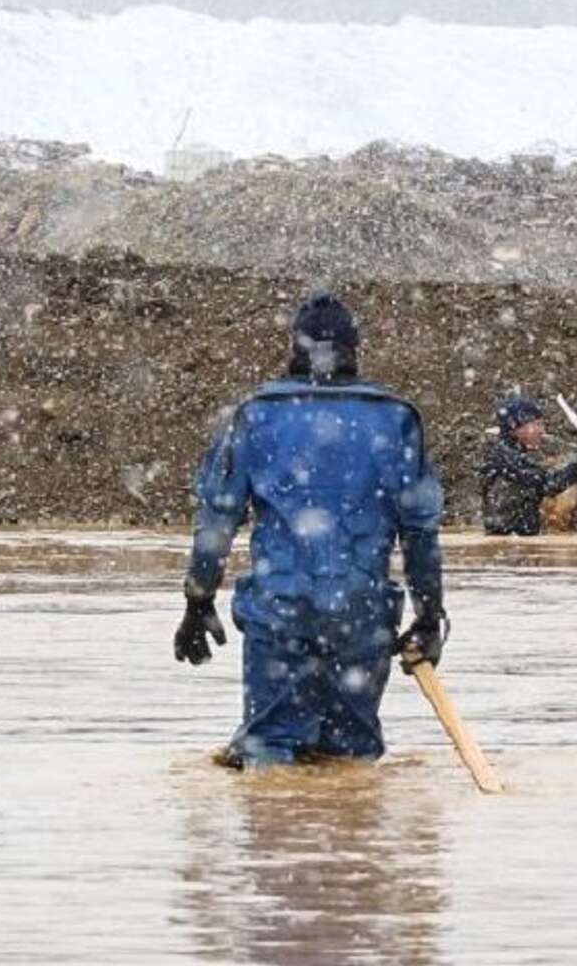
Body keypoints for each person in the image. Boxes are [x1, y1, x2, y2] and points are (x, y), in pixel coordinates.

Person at [174, 293, 446, 770]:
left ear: (296, 346)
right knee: (351, 764)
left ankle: (280, 827)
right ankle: (344, 832)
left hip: (279, 614)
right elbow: (420, 532)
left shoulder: (255, 415)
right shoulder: (395, 419)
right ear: (354, 348)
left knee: (269, 757)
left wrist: (199, 600)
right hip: (362, 615)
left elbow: (216, 523)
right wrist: (428, 615)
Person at [479, 395, 577, 536]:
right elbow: (550, 484)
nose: (542, 431)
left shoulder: (508, 454)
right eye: (537, 424)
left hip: (515, 543)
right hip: (509, 546)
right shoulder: (504, 458)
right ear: (516, 428)